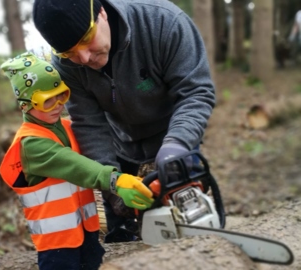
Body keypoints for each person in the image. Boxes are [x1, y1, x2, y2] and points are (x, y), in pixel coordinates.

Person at [32, 0, 216, 243]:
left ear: (102, 13)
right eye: (69, 52)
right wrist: (113, 184)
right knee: (121, 234)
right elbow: (89, 125)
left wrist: (178, 143)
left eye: (87, 40)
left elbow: (196, 92)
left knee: (192, 223)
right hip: (120, 143)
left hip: (175, 132)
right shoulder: (67, 66)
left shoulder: (163, 22)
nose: (84, 57)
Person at [0, 52, 154, 270]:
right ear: (25, 105)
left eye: (61, 95)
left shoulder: (68, 127)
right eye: (47, 100)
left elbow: (97, 143)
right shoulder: (31, 144)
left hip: (85, 229)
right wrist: (115, 181)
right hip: (56, 243)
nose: (57, 105)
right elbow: (75, 165)